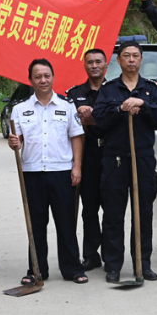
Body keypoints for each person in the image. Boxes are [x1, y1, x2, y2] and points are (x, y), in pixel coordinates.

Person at [92, 41, 157, 283]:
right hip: (115, 158)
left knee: (143, 213)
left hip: (143, 159)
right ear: (119, 60)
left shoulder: (152, 89)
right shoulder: (108, 89)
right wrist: (122, 108)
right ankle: (113, 265)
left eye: (136, 56)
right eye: (127, 56)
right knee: (114, 214)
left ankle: (142, 263)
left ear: (141, 59)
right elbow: (99, 118)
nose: (132, 60)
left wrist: (142, 104)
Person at [7, 59, 87, 284]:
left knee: (66, 224)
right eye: (38, 76)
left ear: (53, 77)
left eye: (47, 75)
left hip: (62, 173)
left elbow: (76, 137)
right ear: (30, 80)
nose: (43, 80)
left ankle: (73, 269)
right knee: (36, 224)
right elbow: (18, 141)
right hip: (32, 173)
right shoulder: (20, 109)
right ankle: (36, 270)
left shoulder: (66, 106)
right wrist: (15, 142)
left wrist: (77, 167)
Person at [67, 48, 109, 271]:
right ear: (84, 66)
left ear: (106, 66)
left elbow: (117, 120)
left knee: (112, 208)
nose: (94, 65)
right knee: (89, 209)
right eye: (90, 62)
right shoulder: (73, 94)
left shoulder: (114, 91)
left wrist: (95, 118)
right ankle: (91, 255)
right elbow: (66, 125)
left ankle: (111, 254)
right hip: (86, 155)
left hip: (112, 156)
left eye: (98, 62)